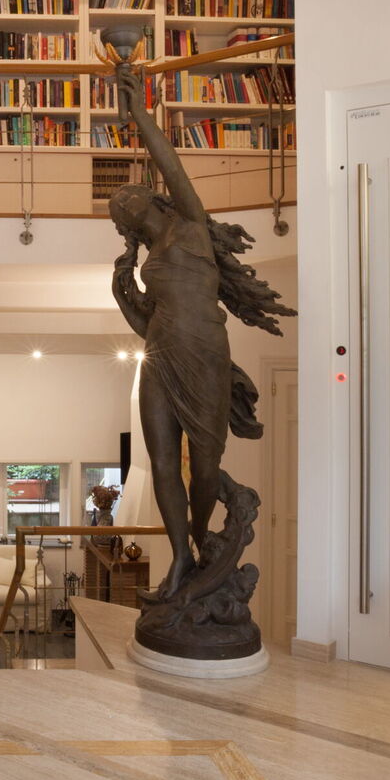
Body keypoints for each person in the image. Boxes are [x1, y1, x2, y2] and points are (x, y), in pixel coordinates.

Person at [108, 68, 293, 602]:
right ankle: (181, 560)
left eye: (130, 197)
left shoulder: (191, 226)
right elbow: (148, 323)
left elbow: (171, 162)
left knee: (206, 465)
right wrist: (123, 293)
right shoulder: (145, 261)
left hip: (205, 352)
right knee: (162, 461)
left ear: (153, 199)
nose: (124, 203)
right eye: (120, 208)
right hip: (159, 353)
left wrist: (139, 113)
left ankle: (200, 535)